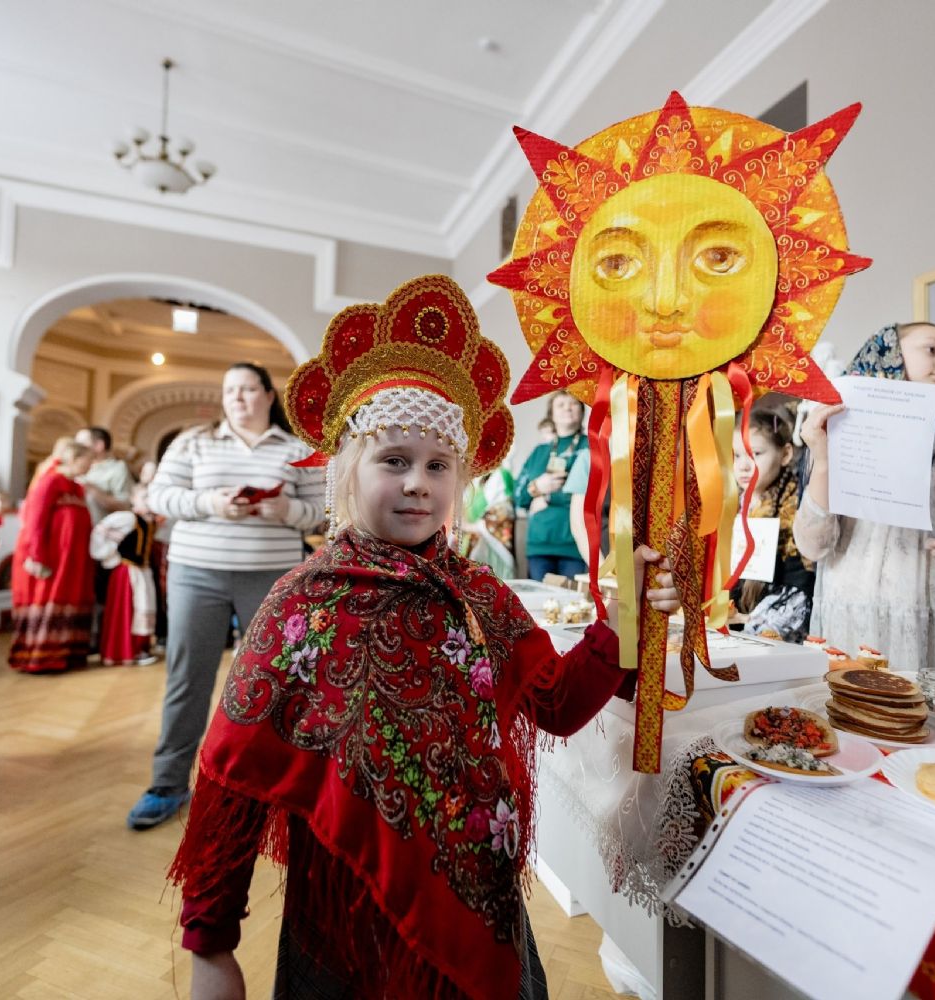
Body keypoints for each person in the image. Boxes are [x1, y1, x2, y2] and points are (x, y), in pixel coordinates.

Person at [166, 273, 677, 1000]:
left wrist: (621, 627)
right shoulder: (302, 603)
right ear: (349, 470)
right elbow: (231, 771)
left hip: (480, 904)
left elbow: (558, 705)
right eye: (393, 461)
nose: (417, 484)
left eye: (437, 466)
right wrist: (210, 943)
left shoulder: (481, 596)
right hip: (347, 918)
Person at [128, 363, 324, 831]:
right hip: (197, 574)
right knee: (187, 677)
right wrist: (211, 503)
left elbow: (324, 514)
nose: (236, 397)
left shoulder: (298, 450)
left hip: (272, 578)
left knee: (271, 681)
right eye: (229, 389)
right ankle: (168, 783)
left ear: (267, 395)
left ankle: (268, 781)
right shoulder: (193, 442)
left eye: (246, 389)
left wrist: (287, 509)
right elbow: (159, 497)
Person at [794, 324, 935, 679]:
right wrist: (824, 459)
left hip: (926, 613)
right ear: (890, 351)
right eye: (932, 350)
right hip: (853, 614)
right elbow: (812, 546)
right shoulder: (836, 428)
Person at [8, 439, 95, 673]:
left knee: (71, 599)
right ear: (75, 459)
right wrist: (37, 555)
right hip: (53, 557)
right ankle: (42, 657)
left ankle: (68, 653)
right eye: (88, 460)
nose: (91, 465)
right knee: (49, 599)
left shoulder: (76, 486)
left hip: (74, 560)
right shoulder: (51, 480)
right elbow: (35, 521)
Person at [729, 408, 815, 642]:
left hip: (784, 603)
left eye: (755, 453)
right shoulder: (732, 501)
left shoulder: (794, 504)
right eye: (737, 455)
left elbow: (801, 579)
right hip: (736, 604)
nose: (743, 466)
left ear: (785, 454)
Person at [514, 390, 589, 580]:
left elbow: (593, 495)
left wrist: (547, 496)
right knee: (540, 606)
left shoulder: (590, 447)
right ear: (551, 415)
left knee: (572, 606)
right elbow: (518, 496)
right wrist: (536, 488)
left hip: (575, 544)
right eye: (561, 404)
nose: (567, 408)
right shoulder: (539, 452)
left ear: (581, 411)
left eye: (573, 403)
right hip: (539, 544)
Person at [89, 484, 158, 666]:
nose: (149, 501)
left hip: (142, 572)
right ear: (133, 499)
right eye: (144, 497)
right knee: (128, 610)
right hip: (127, 573)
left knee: (143, 608)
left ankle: (140, 648)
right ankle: (123, 651)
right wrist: (109, 555)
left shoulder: (149, 521)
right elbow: (101, 532)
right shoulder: (128, 519)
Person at [75, 426, 133, 523]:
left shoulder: (117, 468)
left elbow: (125, 506)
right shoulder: (74, 467)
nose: (76, 449)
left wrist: (93, 490)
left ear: (99, 445)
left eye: (81, 444)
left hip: (99, 532)